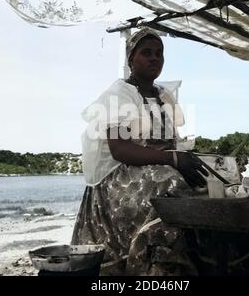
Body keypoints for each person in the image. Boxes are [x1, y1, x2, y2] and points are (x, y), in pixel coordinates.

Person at [71, 27, 210, 276]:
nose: (154, 58)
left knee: (207, 183)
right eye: (146, 53)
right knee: (170, 185)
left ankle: (202, 258)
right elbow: (120, 149)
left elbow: (170, 145)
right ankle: (154, 263)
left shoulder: (165, 97)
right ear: (131, 60)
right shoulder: (119, 95)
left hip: (155, 166)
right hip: (119, 175)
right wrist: (172, 159)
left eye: (159, 53)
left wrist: (183, 157)